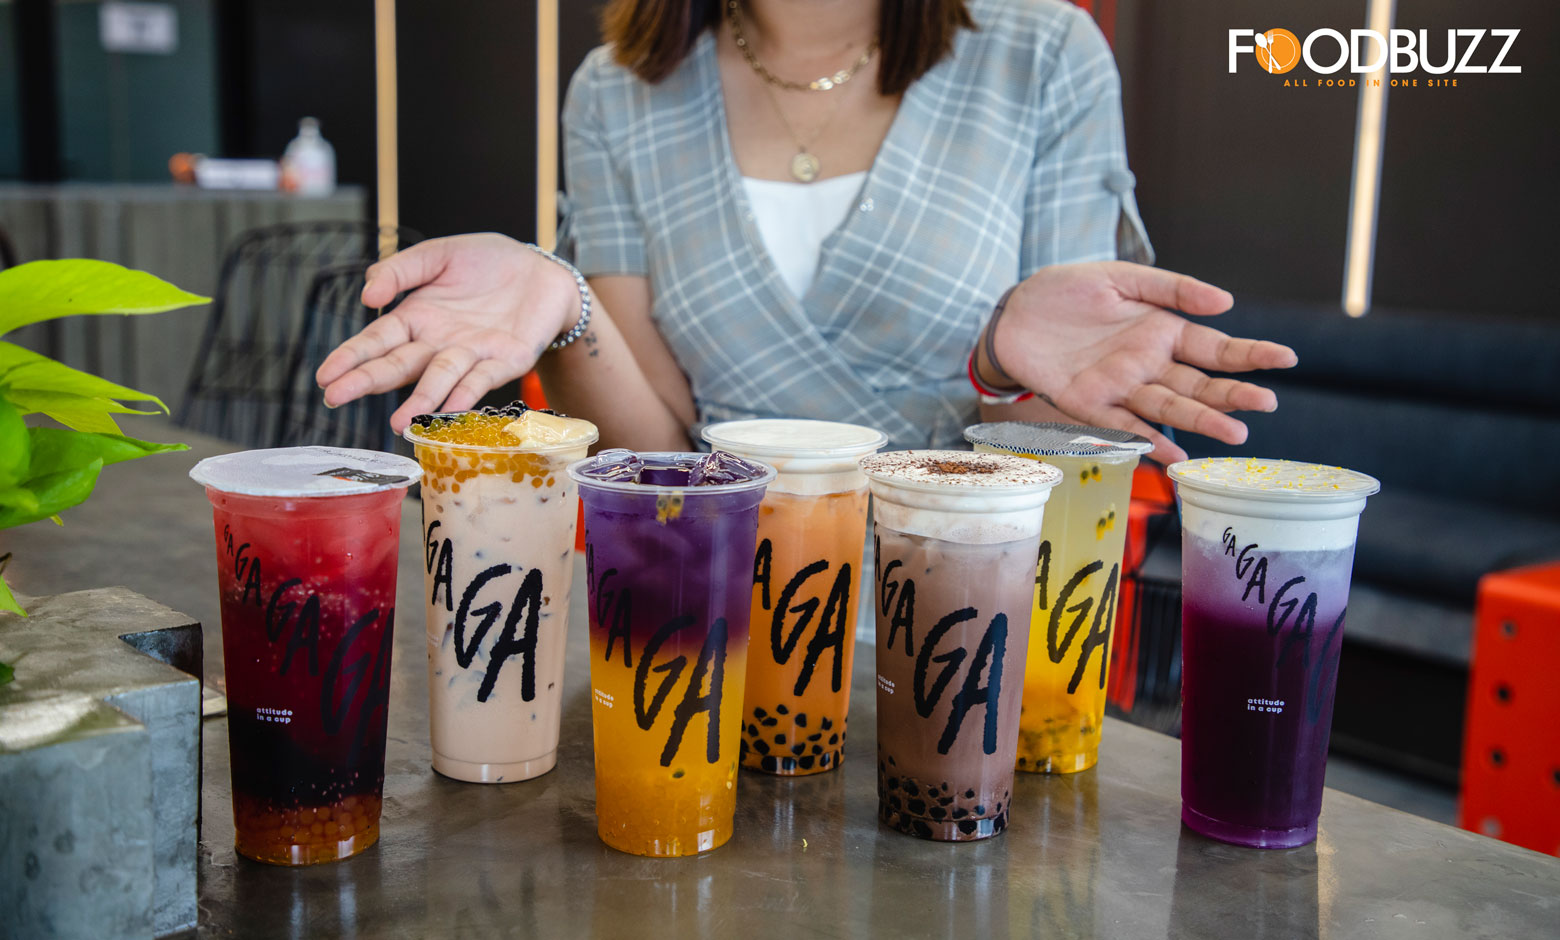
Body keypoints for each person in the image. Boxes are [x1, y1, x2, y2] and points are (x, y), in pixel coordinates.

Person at [317, 0, 1296, 464]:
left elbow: (1059, 450)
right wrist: (560, 297)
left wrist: (999, 367)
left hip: (964, 611)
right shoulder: (616, 92)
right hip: (714, 604)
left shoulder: (1044, 55)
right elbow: (657, 446)